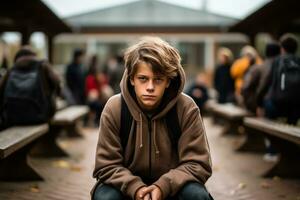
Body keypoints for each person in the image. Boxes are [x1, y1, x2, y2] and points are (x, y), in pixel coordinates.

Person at [92, 37, 212, 200]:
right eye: (143, 78)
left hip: (174, 187)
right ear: (132, 79)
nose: (150, 87)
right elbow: (106, 165)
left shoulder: (186, 108)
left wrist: (162, 187)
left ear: (168, 81)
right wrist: (137, 189)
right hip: (124, 186)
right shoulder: (115, 108)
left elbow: (198, 164)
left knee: (197, 196)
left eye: (158, 79)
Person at [0, 46, 60, 130]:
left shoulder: (11, 70)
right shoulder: (43, 66)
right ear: (34, 56)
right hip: (40, 117)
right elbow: (57, 85)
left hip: (12, 117)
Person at [257, 33, 300, 125]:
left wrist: (259, 102)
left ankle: (270, 137)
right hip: (296, 105)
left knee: (268, 106)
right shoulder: (298, 61)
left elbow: (266, 82)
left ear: (282, 48)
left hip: (277, 103)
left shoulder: (277, 61)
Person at [241, 43, 281, 113]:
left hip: (266, 104)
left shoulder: (261, 67)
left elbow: (247, 87)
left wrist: (256, 104)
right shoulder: (282, 66)